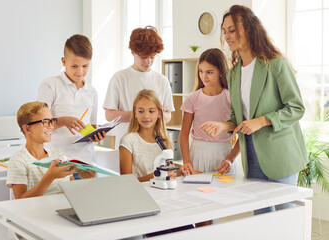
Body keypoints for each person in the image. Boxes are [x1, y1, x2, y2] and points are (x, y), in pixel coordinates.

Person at [201, 5, 308, 213]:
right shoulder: (233, 74)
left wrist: (261, 120)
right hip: (251, 155)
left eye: (232, 30)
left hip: (280, 155)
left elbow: (296, 108)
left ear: (250, 29)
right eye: (225, 32)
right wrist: (222, 126)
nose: (227, 36)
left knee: (284, 218)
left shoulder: (276, 65)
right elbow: (237, 118)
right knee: (261, 218)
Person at [103, 26, 174, 148]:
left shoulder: (162, 80)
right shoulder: (120, 78)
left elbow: (168, 116)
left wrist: (151, 115)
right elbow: (109, 115)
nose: (148, 62)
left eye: (152, 57)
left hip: (155, 143)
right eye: (143, 57)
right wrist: (139, 114)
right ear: (133, 52)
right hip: (126, 143)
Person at [7, 101, 95, 200]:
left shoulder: (58, 154)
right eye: (45, 122)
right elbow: (20, 199)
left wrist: (85, 179)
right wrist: (50, 176)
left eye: (51, 121)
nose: (51, 126)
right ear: (27, 129)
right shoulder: (18, 161)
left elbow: (72, 190)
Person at [37, 34, 105, 163]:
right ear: (64, 61)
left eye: (85, 66)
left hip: (86, 162)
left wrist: (96, 136)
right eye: (74, 66)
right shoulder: (50, 85)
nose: (80, 71)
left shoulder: (92, 92)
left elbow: (92, 125)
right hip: (56, 161)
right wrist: (62, 121)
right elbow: (39, 124)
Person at [179, 48, 240, 176]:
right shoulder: (193, 98)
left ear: (221, 72)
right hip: (197, 154)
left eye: (209, 72)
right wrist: (186, 160)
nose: (204, 76)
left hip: (224, 155)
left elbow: (243, 132)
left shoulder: (231, 97)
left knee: (225, 193)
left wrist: (231, 158)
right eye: (201, 71)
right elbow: (183, 135)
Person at [119, 89, 176, 182]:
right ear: (135, 113)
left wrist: (173, 173)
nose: (146, 116)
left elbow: (169, 174)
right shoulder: (128, 141)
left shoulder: (166, 142)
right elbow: (126, 182)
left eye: (151, 111)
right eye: (141, 111)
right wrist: (156, 175)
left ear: (159, 113)